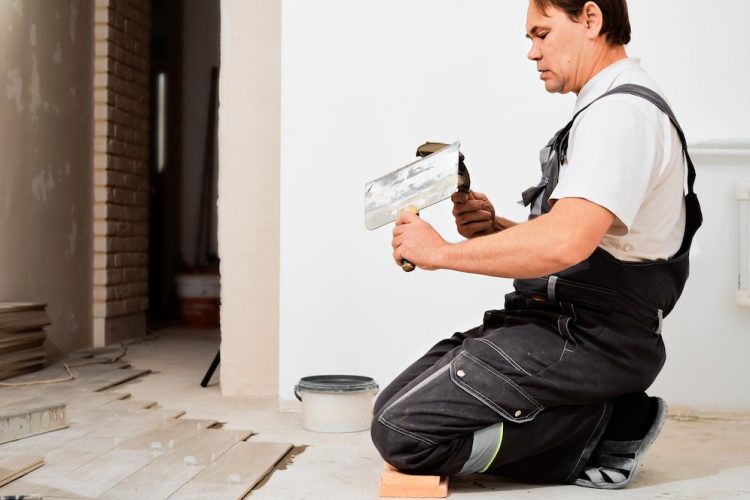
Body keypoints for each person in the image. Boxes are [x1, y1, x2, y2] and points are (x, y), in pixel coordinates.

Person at [370, 0, 702, 489]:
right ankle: (598, 418)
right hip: (560, 323)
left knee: (403, 433)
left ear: (591, 19)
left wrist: (438, 252)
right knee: (392, 407)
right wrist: (495, 229)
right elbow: (588, 242)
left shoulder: (623, 116)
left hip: (592, 335)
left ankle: (608, 426)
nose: (532, 52)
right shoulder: (603, 109)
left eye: (541, 34)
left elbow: (566, 242)